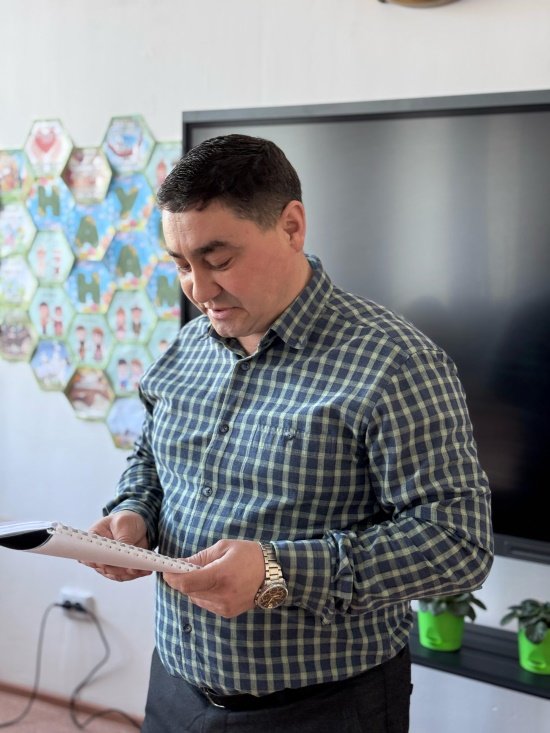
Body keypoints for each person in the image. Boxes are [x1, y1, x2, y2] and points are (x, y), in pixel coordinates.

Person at [86, 134, 493, 733]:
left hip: (322, 711)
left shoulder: (395, 362)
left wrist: (276, 572)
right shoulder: (188, 345)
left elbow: (458, 543)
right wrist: (133, 512)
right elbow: (151, 457)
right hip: (174, 689)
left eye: (219, 260)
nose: (198, 290)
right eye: (181, 264)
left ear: (292, 226)